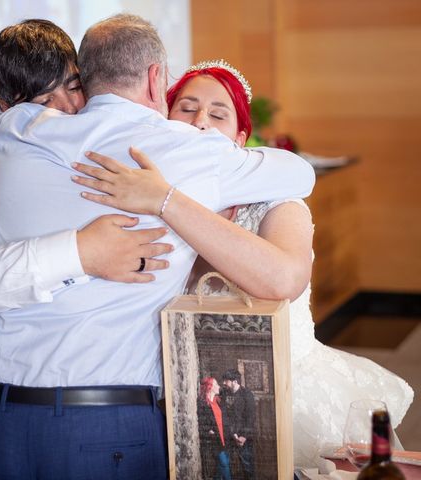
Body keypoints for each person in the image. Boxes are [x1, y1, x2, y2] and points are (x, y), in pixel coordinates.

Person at [0, 14, 314, 478]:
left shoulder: (16, 128)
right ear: (156, 81)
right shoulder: (190, 152)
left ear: (86, 77)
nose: (200, 121)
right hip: (106, 424)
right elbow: (299, 172)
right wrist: (168, 193)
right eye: (186, 105)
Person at [71, 58, 415, 467]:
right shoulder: (140, 203)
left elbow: (283, 279)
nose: (200, 121)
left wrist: (169, 201)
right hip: (176, 400)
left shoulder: (277, 203)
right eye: (186, 107)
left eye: (218, 114)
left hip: (282, 395)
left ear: (240, 138)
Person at [0, 19, 173, 479]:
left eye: (75, 86)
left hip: (120, 414)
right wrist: (80, 253)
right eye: (42, 103)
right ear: (9, 109)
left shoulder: (124, 153)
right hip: (8, 412)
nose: (65, 110)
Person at [222, 369, 256, 479]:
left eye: (226, 381)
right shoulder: (224, 394)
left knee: (247, 466)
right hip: (230, 435)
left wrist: (243, 436)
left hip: (244, 438)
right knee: (227, 465)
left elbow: (250, 418)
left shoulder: (247, 394)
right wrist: (233, 434)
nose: (223, 383)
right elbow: (224, 416)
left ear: (235, 382)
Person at [199, 377, 233, 480]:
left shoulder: (218, 401)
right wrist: (208, 431)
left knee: (220, 468)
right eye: (216, 384)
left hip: (225, 438)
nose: (219, 386)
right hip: (215, 440)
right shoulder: (203, 403)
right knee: (224, 464)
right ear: (210, 387)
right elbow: (201, 422)